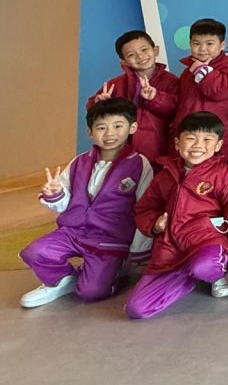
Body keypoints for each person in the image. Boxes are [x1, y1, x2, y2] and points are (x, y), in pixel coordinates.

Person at [20, 98, 153, 307]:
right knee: (34, 252)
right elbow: (65, 202)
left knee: (91, 292)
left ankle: (115, 268)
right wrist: (55, 193)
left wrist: (138, 250)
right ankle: (62, 279)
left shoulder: (139, 164)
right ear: (90, 132)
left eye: (118, 126)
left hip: (110, 240)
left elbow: (145, 208)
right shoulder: (79, 162)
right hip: (73, 232)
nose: (109, 133)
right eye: (101, 127)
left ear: (132, 127)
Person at [125, 111, 228, 319]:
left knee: (204, 267)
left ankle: (211, 272)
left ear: (218, 145)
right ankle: (186, 277)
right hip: (169, 249)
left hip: (207, 242)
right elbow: (144, 209)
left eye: (207, 139)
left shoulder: (225, 176)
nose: (198, 145)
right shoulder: (165, 175)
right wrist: (155, 224)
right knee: (136, 309)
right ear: (177, 143)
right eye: (191, 138)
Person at [88, 30, 179, 165]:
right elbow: (92, 108)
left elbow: (175, 109)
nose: (140, 56)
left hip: (157, 149)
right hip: (120, 149)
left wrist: (154, 98)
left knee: (152, 176)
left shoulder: (171, 81)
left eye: (144, 49)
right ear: (124, 62)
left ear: (156, 50)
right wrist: (99, 104)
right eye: (131, 54)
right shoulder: (115, 84)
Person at [174, 18, 228, 167]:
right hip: (192, 138)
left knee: (222, 177)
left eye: (209, 43)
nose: (202, 48)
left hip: (220, 140)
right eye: (196, 43)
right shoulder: (187, 72)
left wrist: (203, 72)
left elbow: (221, 91)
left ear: (222, 45)